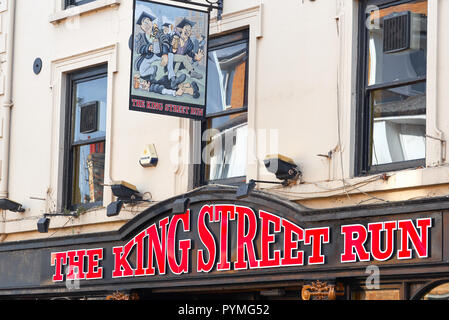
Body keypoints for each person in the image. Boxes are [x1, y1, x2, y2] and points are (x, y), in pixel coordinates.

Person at [134, 12, 184, 89]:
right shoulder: (140, 36)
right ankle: (153, 70)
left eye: (148, 21)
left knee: (170, 55)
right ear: (141, 27)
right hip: (149, 56)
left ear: (151, 23)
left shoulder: (158, 32)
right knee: (142, 72)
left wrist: (165, 54)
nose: (147, 24)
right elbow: (138, 49)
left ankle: (173, 79)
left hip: (160, 53)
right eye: (144, 23)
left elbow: (165, 41)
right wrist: (147, 48)